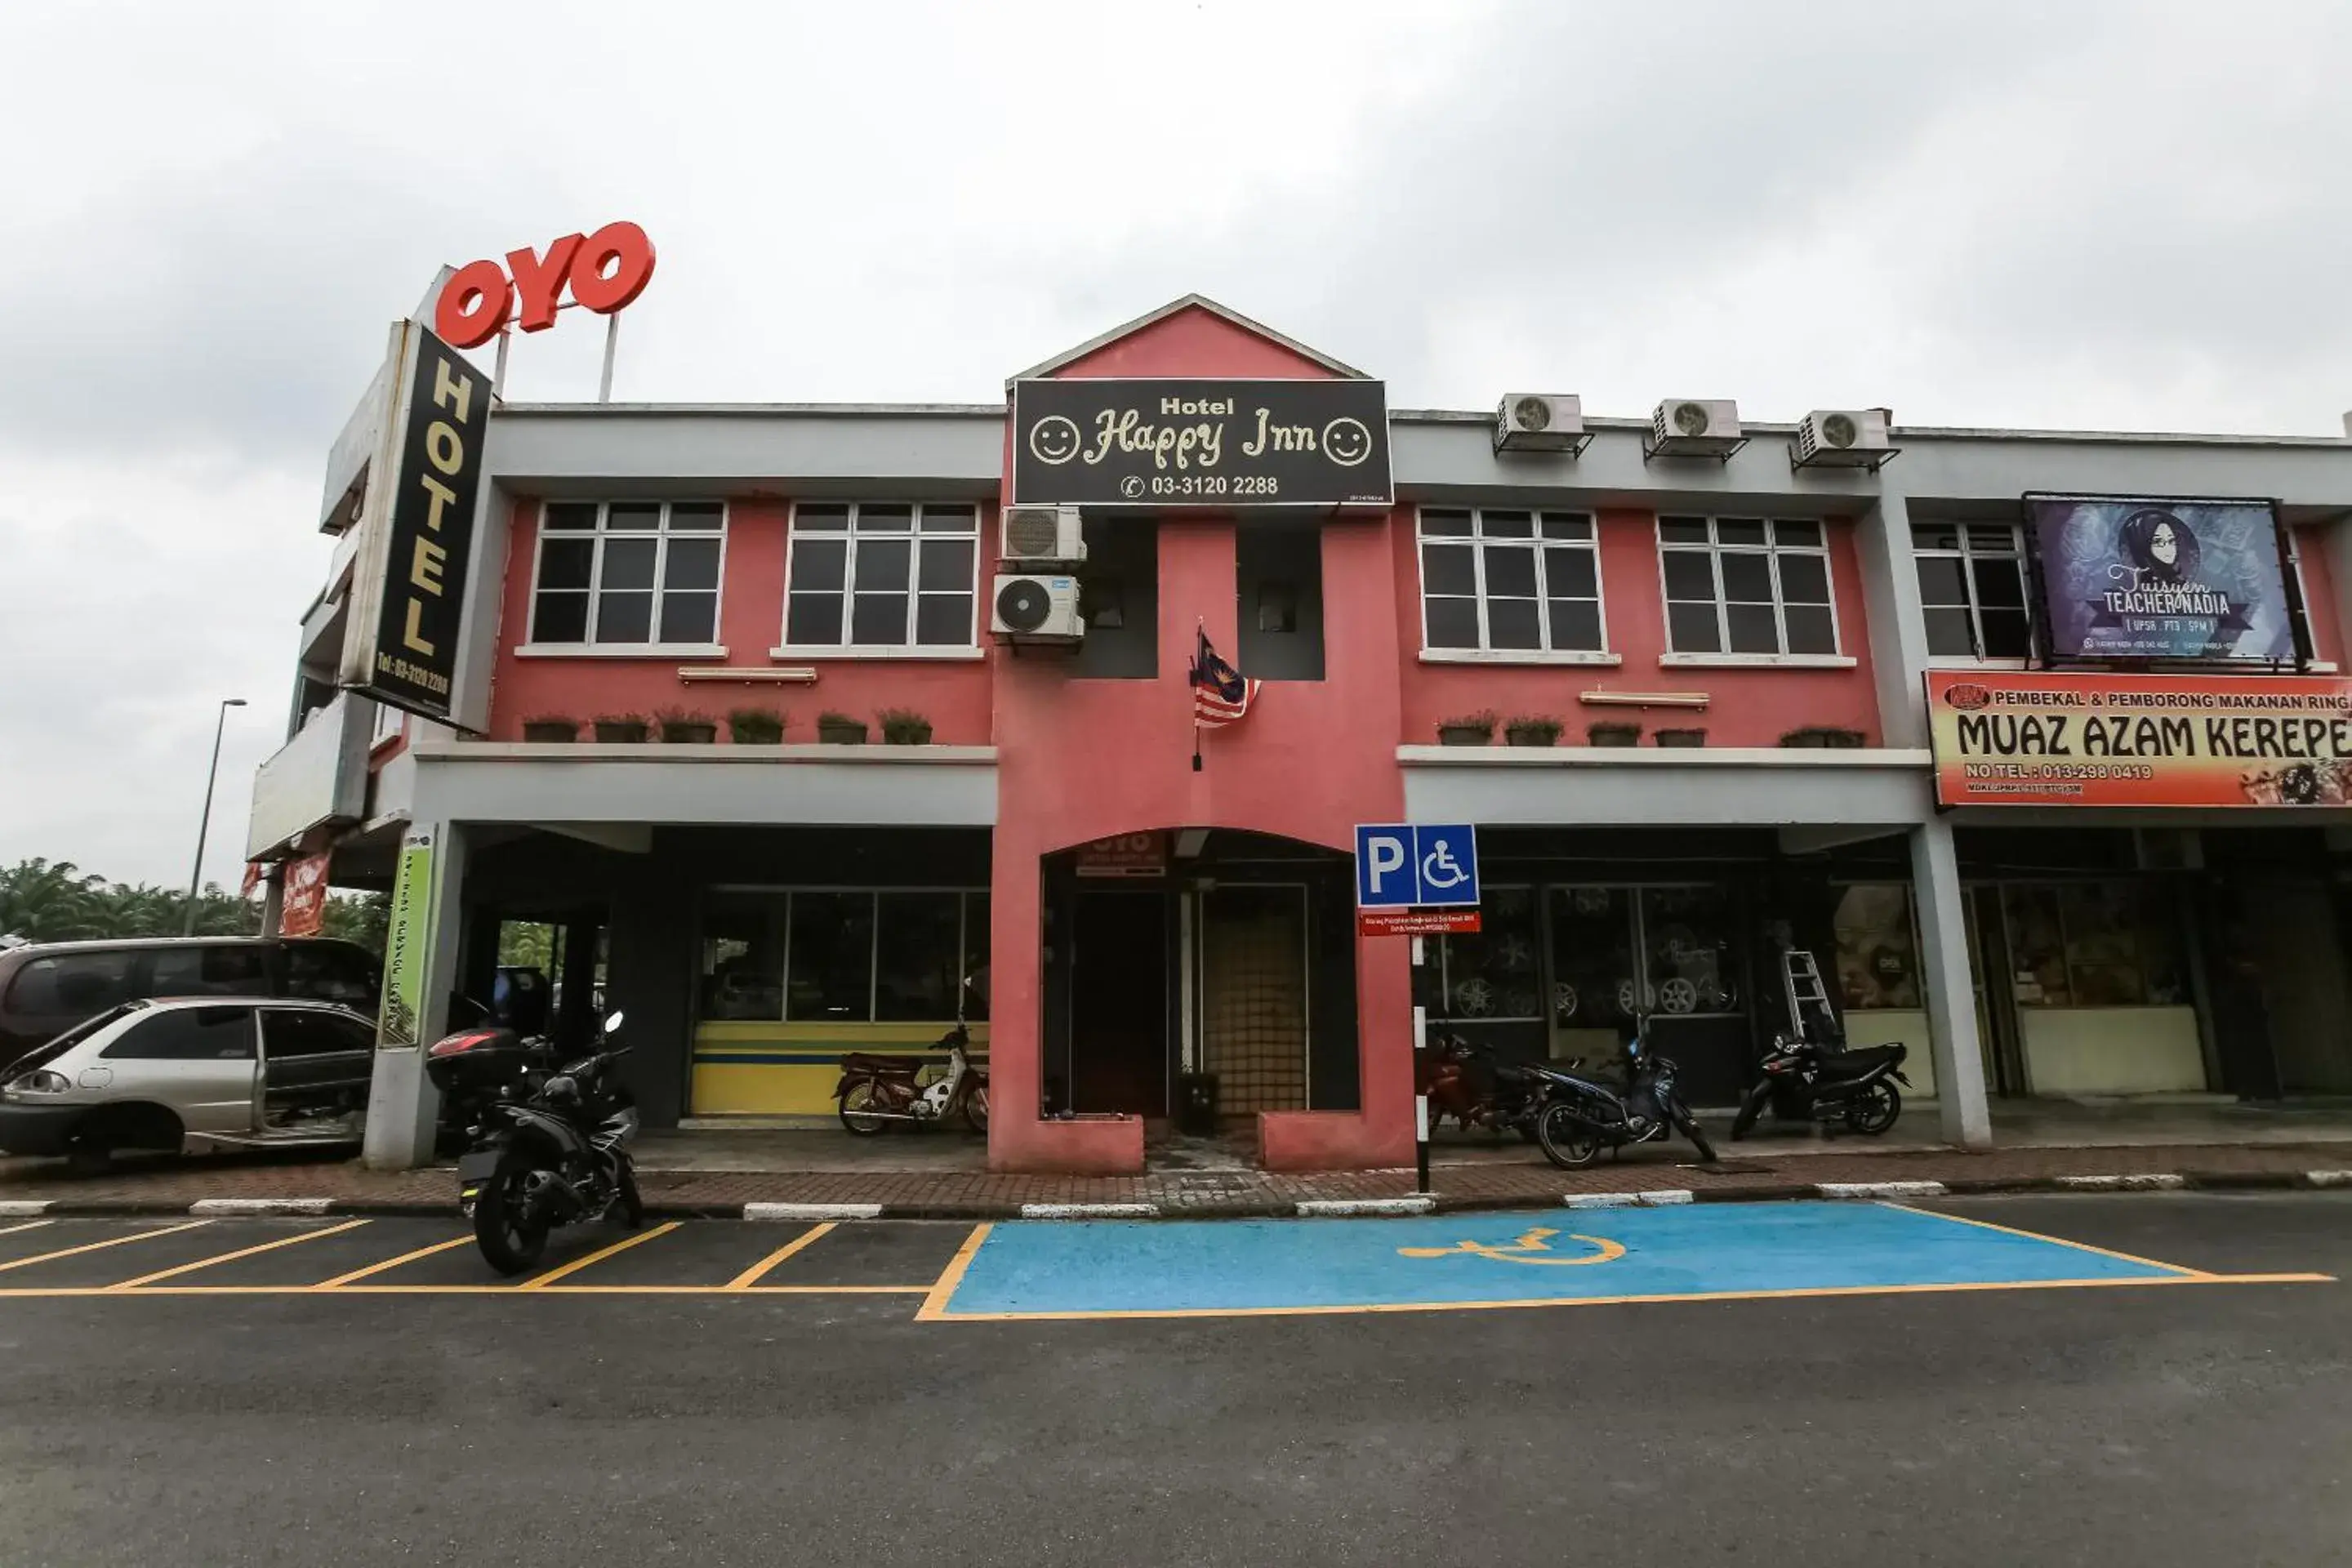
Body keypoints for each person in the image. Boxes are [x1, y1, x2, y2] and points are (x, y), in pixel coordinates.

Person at [2118, 507, 2200, 588]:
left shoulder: (2179, 579)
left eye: (2171, 541)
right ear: (2143, 544)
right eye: (2158, 542)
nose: (2168, 548)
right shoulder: (2133, 583)